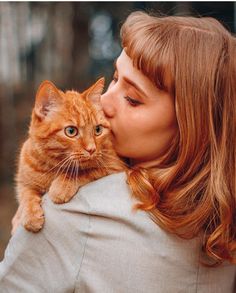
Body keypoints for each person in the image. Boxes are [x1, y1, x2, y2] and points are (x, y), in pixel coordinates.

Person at [0, 11, 235, 292]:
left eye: (132, 99)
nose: (104, 104)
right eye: (114, 78)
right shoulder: (224, 221)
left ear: (192, 126)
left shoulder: (76, 213)